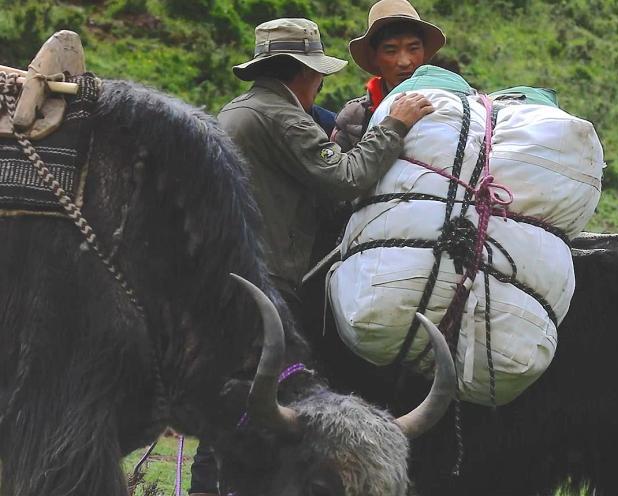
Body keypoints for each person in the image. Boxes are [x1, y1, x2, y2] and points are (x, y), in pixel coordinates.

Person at [188, 17, 433, 495]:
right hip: (266, 281)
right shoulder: (281, 117)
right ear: (306, 73)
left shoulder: (242, 110)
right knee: (253, 398)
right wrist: (395, 126)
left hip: (235, 279)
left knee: (237, 398)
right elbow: (345, 178)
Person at [331, 0, 445, 150]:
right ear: (374, 57)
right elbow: (339, 165)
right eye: (391, 51)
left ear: (424, 52)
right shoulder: (354, 117)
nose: (404, 62)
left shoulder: (448, 103)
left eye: (413, 48)